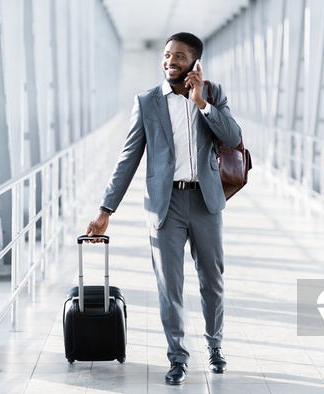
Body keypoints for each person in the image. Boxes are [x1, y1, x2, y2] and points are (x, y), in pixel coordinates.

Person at [85, 32, 241, 385]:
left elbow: (232, 136)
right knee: (169, 286)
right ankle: (177, 357)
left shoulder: (213, 94)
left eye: (180, 56)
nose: (171, 61)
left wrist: (202, 103)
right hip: (164, 205)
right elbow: (128, 159)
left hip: (205, 203)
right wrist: (105, 209)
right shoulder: (147, 102)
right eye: (168, 55)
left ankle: (215, 347)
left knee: (212, 282)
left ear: (195, 62)